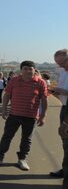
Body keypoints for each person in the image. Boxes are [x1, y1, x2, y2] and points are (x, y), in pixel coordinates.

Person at [0, 60, 48, 171]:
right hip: (14, 115)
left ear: (34, 70)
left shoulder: (41, 82)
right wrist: (3, 110)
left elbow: (44, 100)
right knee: (7, 136)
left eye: (30, 68)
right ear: (21, 70)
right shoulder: (14, 80)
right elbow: (7, 95)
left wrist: (43, 116)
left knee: (26, 139)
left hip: (31, 116)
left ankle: (22, 159)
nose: (28, 70)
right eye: (25, 68)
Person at [50, 49, 68, 182]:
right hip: (64, 108)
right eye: (58, 64)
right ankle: (65, 169)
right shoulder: (63, 72)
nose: (60, 66)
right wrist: (55, 92)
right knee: (65, 142)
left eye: (62, 62)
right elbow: (61, 92)